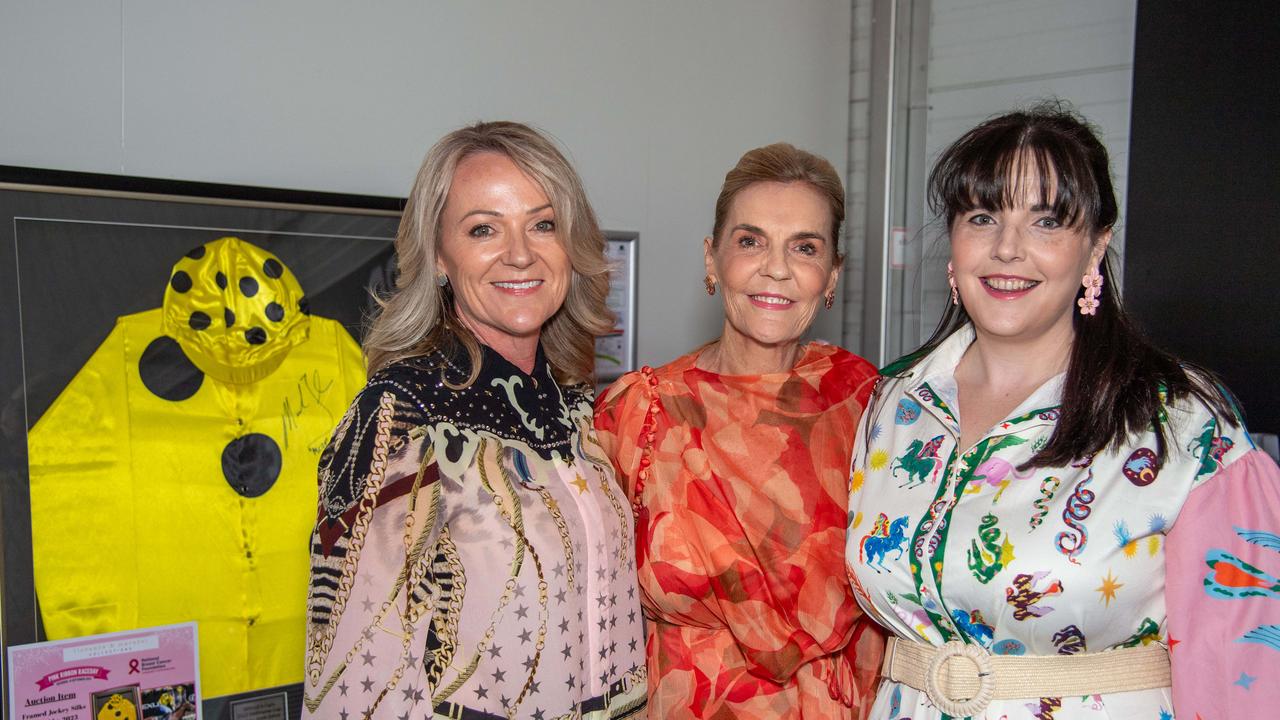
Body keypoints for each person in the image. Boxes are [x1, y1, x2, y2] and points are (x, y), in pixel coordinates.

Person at [845, 103, 1280, 719]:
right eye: (982, 216)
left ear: (1095, 246)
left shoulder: (1185, 426)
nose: (1007, 248)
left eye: (1047, 221)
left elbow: (1249, 670)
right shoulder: (893, 404)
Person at [302, 121, 647, 720]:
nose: (520, 253)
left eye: (543, 224)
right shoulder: (401, 417)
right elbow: (356, 676)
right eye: (483, 229)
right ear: (439, 257)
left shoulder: (574, 410)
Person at [595, 143, 884, 718]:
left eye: (804, 247)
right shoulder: (638, 413)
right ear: (712, 258)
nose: (775, 268)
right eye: (750, 241)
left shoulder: (874, 407)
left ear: (832, 274)